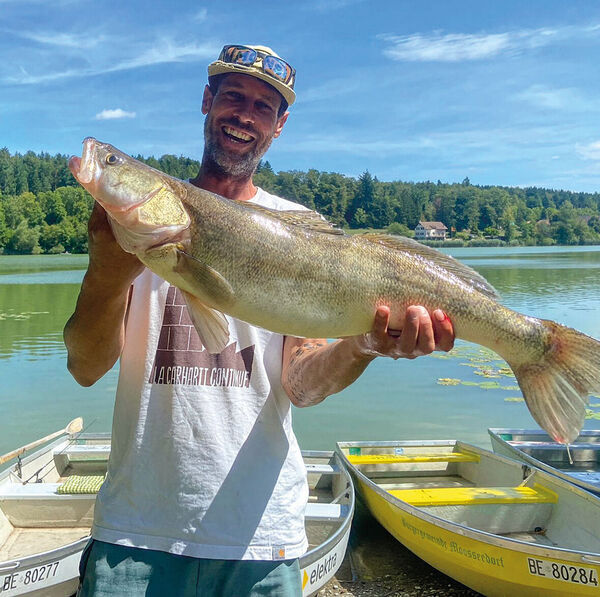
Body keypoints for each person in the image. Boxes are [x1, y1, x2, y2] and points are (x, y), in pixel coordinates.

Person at [64, 44, 455, 597]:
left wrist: (365, 343)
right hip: (134, 535)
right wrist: (105, 272)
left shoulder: (301, 229)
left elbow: (300, 383)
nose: (245, 115)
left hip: (261, 541)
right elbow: (85, 366)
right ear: (207, 101)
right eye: (233, 97)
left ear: (278, 126)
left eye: (264, 107)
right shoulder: (130, 235)